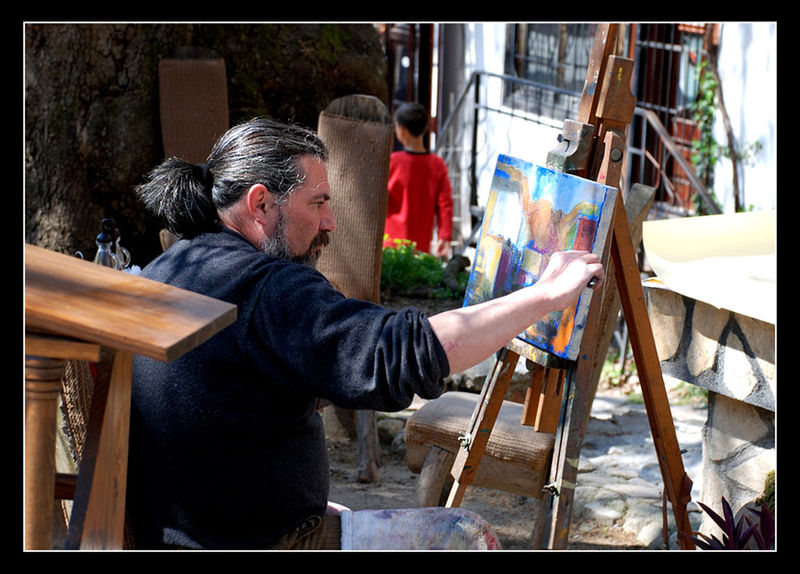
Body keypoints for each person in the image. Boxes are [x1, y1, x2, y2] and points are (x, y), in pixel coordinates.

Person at [127, 116, 603, 550]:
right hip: (253, 542)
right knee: (463, 538)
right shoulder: (268, 288)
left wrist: (292, 504)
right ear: (261, 203)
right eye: (317, 203)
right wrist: (544, 295)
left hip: (191, 532)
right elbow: (403, 354)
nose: (330, 222)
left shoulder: (173, 265)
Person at [384, 102, 454, 258]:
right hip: (420, 243)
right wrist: (444, 236)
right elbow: (445, 204)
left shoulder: (391, 162)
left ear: (402, 130)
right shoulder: (437, 164)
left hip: (389, 242)